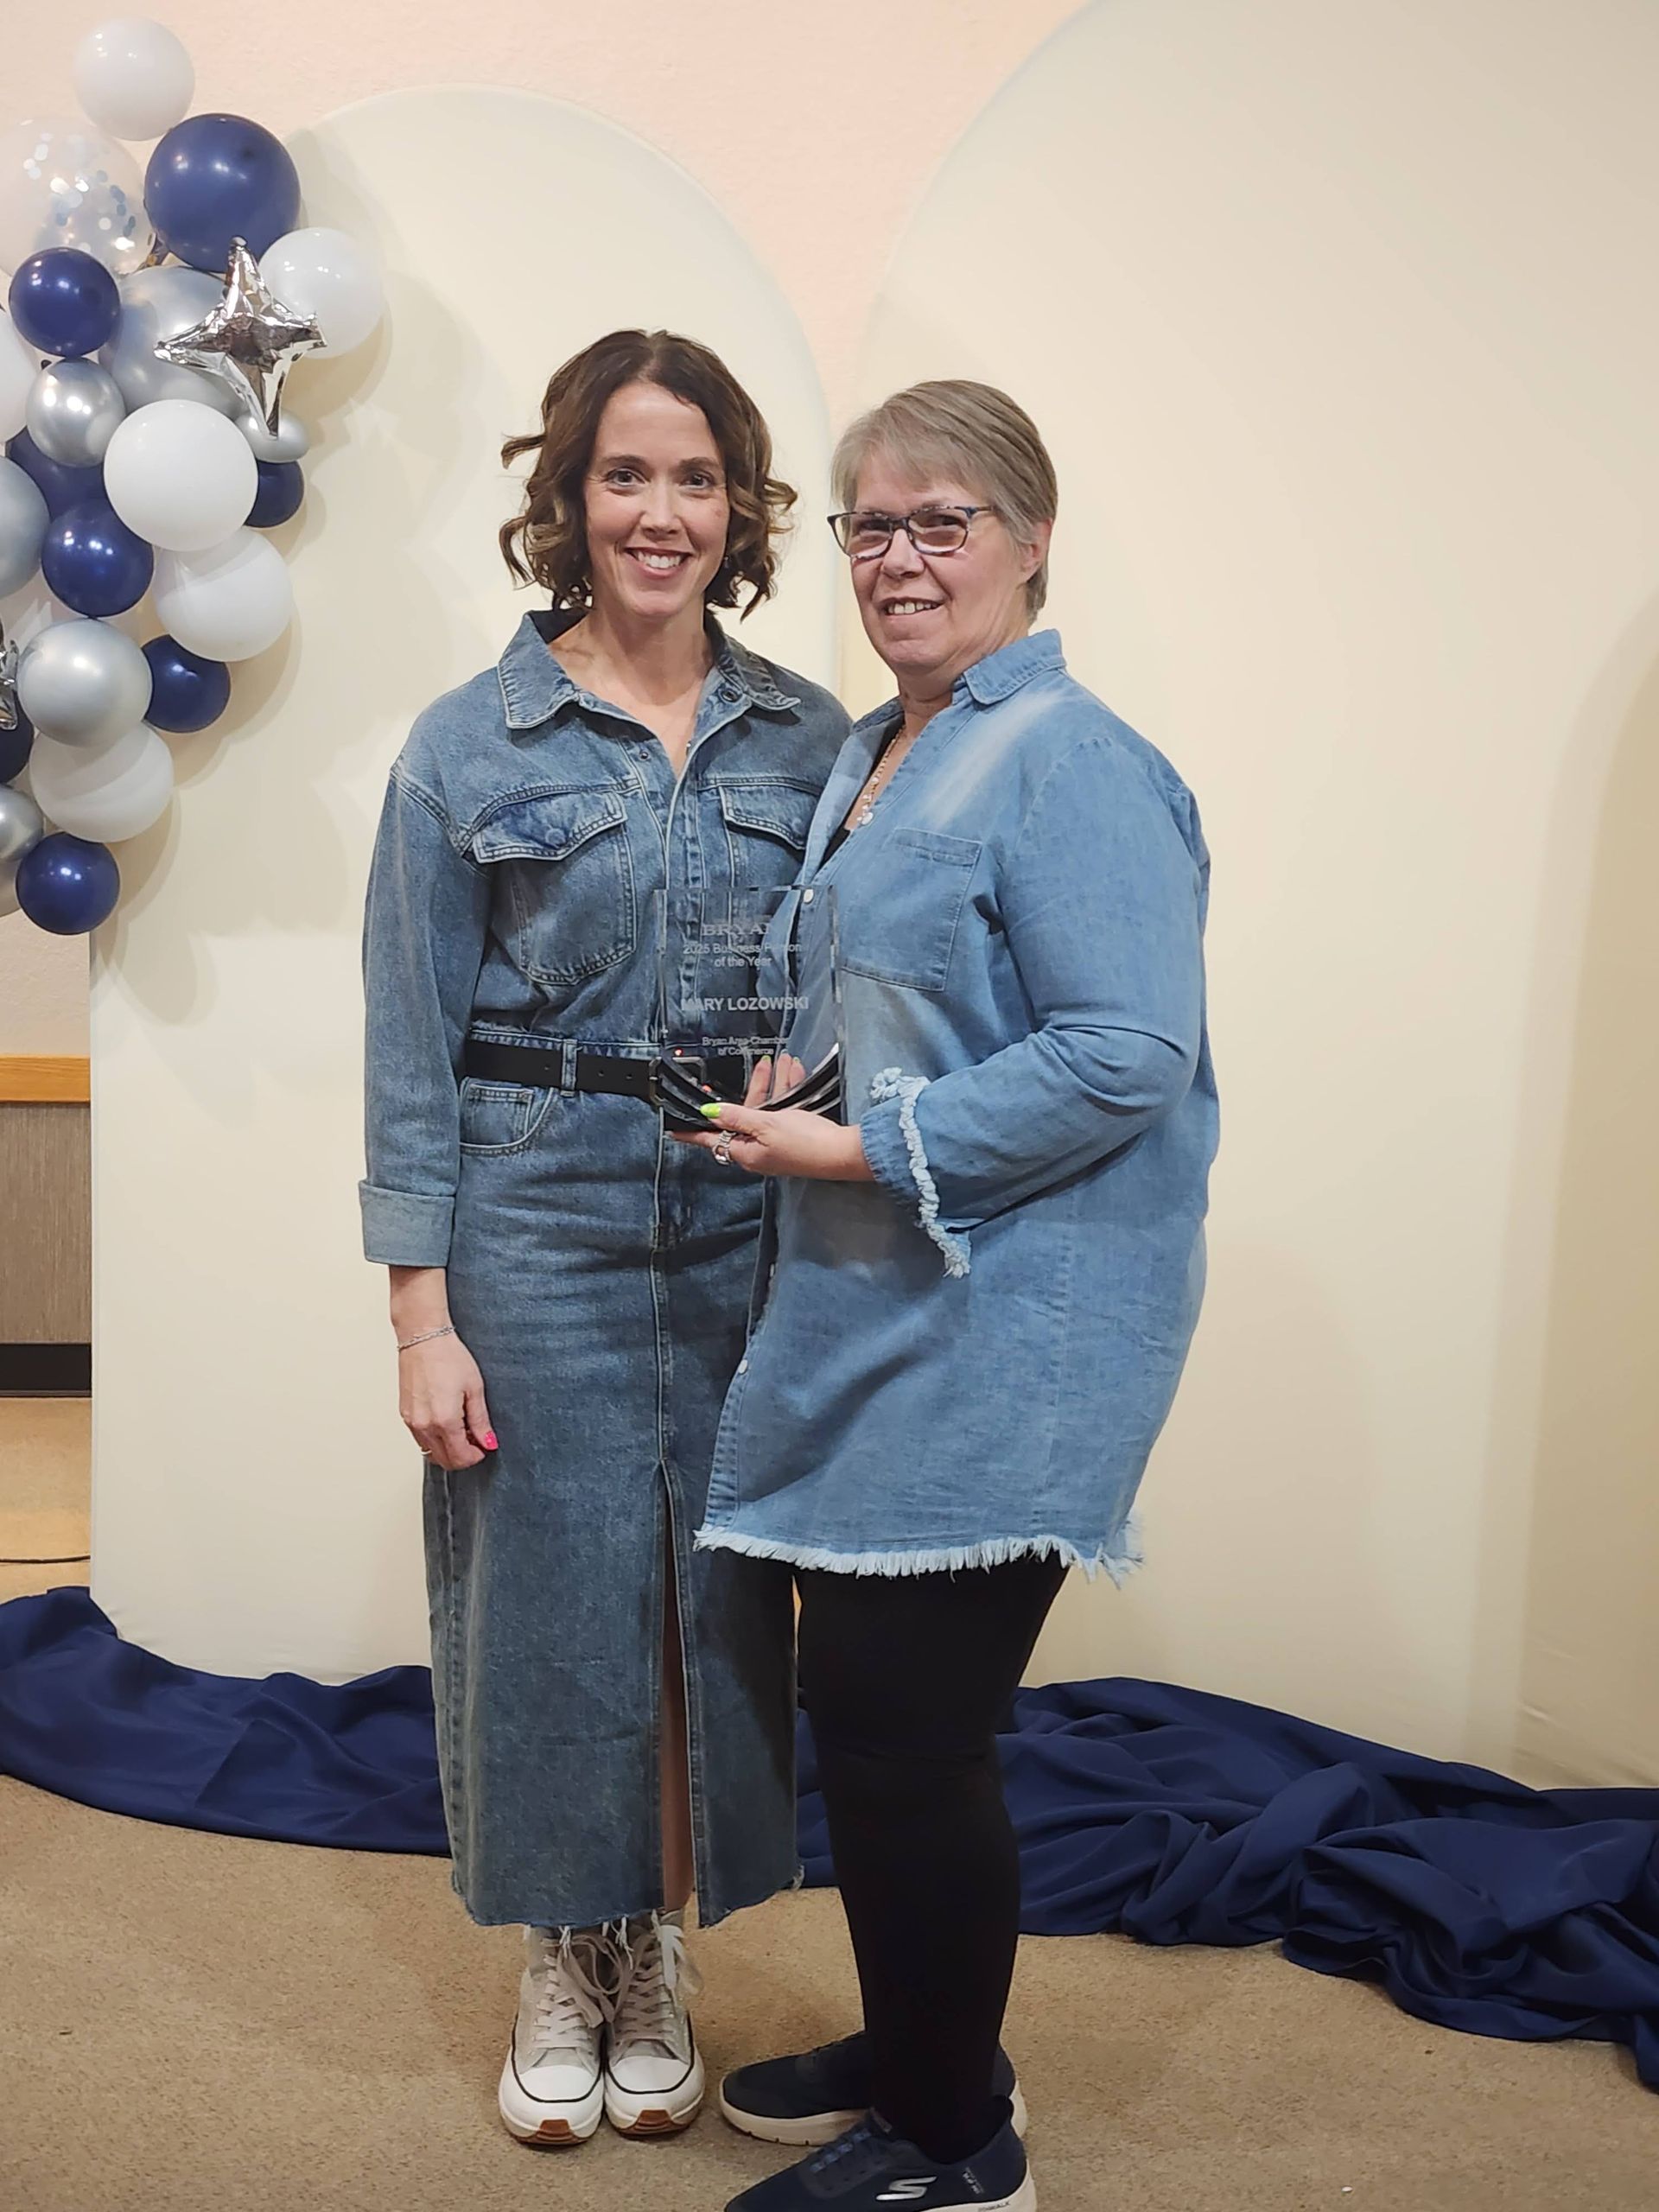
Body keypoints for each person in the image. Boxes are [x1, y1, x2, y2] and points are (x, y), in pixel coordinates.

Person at [678, 379, 1218, 2212]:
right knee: (881, 1725)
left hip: (1022, 1325)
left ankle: (954, 2144)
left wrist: (858, 1145)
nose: (900, 559)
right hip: (888, 1306)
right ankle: (928, 2045)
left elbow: (1129, 1053)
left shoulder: (1068, 756)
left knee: (911, 1732)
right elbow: (906, 1010)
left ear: (1031, 537)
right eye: (869, 526)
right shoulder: (877, 747)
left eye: (944, 521)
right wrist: (795, 1097)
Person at [359, 329, 847, 2151]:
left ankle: (657, 1945)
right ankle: (566, 1955)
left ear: (742, 506)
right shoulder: (464, 742)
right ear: (567, 498)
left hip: (745, 1220)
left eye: (697, 475)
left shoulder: (810, 733)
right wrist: (422, 1312)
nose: (661, 510)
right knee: (550, 1603)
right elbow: (407, 1037)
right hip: (531, 1216)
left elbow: (865, 964)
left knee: (713, 1608)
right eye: (625, 474)